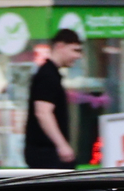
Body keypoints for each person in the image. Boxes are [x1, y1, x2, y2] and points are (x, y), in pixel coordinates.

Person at [23, 30, 84, 169]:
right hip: (46, 152)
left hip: (46, 151)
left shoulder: (50, 73)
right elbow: (43, 112)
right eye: (75, 50)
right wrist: (62, 145)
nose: (78, 56)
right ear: (60, 46)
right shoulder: (48, 75)